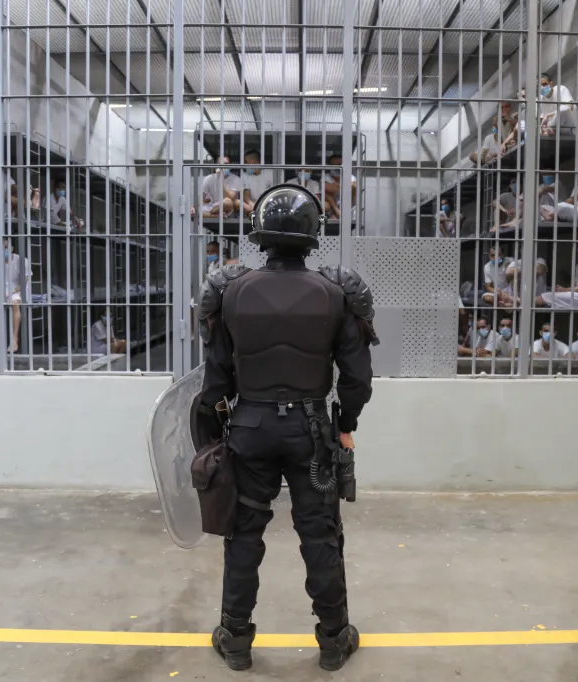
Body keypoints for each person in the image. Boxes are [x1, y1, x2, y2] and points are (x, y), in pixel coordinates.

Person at [196, 183, 375, 672]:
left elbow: (214, 383)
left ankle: (235, 638)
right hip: (311, 429)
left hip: (249, 427)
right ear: (314, 233)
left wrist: (216, 430)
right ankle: (334, 640)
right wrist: (345, 423)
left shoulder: (230, 292)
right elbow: (357, 380)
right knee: (320, 535)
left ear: (260, 236)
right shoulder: (336, 294)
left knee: (244, 534)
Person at [0, 237, 27, 354]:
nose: (4, 250)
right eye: (1, 247)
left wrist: (12, 292)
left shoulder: (22, 260)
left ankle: (14, 339)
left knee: (15, 304)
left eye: (6, 247)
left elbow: (24, 281)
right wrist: (0, 292)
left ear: (12, 248)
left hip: (16, 291)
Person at [322, 154, 356, 220]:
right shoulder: (326, 177)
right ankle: (337, 211)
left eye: (339, 164)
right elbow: (326, 187)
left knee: (353, 189)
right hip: (333, 209)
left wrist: (335, 187)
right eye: (333, 165)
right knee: (326, 192)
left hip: (348, 209)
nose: (337, 167)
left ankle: (340, 211)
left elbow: (354, 187)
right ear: (329, 166)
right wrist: (346, 186)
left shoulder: (351, 177)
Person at [241, 149, 273, 215]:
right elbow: (247, 199)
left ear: (254, 162)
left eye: (247, 162)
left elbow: (272, 194)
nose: (245, 164)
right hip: (252, 206)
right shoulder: (245, 175)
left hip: (268, 205)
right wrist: (255, 208)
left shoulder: (270, 173)